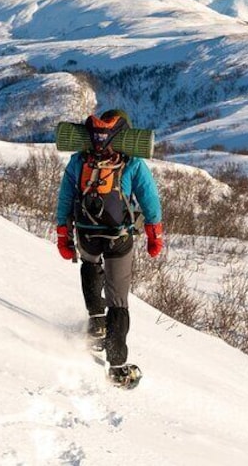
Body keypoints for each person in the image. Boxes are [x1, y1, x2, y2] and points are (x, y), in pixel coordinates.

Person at [54, 109, 163, 383]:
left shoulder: (80, 160)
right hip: (118, 236)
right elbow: (149, 199)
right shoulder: (131, 162)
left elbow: (65, 199)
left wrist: (62, 233)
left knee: (90, 266)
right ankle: (117, 367)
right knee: (118, 301)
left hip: (87, 233)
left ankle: (96, 325)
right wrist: (154, 234)